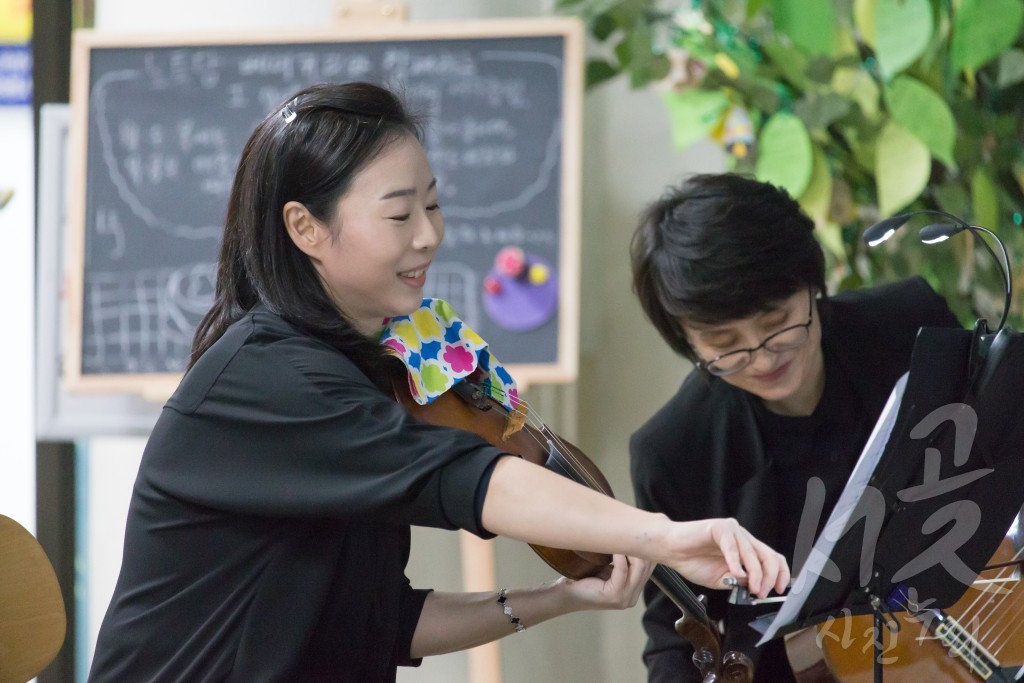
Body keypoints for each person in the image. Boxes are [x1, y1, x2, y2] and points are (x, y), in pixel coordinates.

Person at [87, 84, 789, 683]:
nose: (429, 235)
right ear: (304, 227)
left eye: (433, 205)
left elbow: (384, 622)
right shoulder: (266, 375)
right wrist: (661, 534)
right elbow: (469, 476)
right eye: (399, 214)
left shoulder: (364, 369)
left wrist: (559, 596)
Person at [628, 173, 962, 682]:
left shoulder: (912, 326)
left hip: (962, 633)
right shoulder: (675, 451)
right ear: (686, 339)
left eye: (776, 321)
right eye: (725, 343)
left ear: (812, 284)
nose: (761, 359)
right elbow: (676, 633)